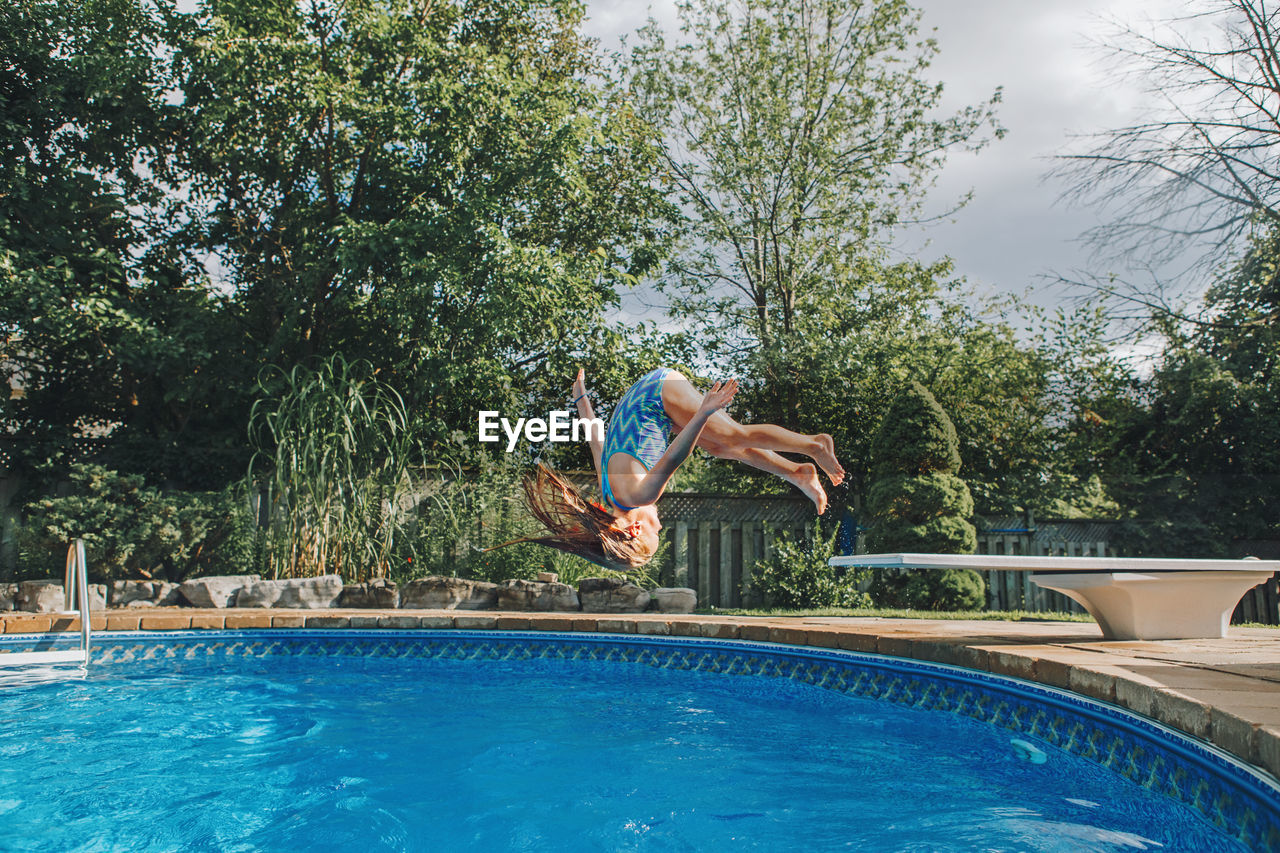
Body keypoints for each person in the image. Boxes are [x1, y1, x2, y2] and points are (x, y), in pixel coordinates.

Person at [495, 367, 844, 571]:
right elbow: (595, 438)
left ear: (633, 530)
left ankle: (814, 444)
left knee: (733, 436)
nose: (661, 524)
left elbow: (676, 455)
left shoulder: (638, 495)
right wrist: (580, 399)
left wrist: (705, 411)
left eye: (656, 533)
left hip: (656, 393)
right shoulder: (610, 495)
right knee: (722, 447)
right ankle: (795, 473)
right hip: (644, 400)